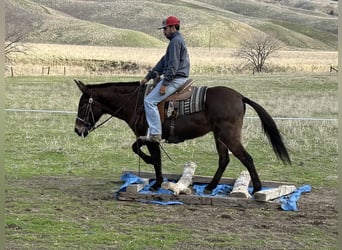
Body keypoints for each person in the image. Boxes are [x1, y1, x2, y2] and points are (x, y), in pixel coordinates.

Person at [139, 16, 190, 143]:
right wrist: (148, 77)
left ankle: (156, 134)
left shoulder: (175, 42)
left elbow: (173, 65)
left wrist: (165, 84)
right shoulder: (175, 41)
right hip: (177, 77)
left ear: (173, 28)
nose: (164, 32)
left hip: (175, 78)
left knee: (149, 101)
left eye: (165, 28)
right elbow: (162, 63)